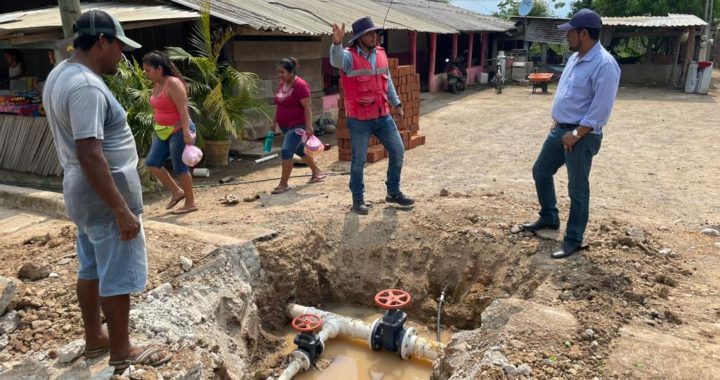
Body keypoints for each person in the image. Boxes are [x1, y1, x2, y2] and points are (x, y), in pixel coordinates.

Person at [42, 10, 171, 375]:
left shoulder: (60, 74)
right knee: (115, 270)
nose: (122, 56)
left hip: (83, 194)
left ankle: (94, 338)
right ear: (102, 41)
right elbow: (90, 152)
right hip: (103, 195)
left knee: (92, 266)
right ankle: (121, 348)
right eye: (118, 47)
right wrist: (121, 209)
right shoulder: (86, 86)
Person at [522, 9, 621, 259]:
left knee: (577, 189)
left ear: (584, 33)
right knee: (540, 171)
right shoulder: (577, 58)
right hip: (560, 130)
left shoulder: (605, 65)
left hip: (582, 135)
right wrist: (559, 124)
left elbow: (600, 110)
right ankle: (549, 218)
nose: (566, 37)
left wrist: (576, 133)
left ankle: (573, 239)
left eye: (570, 33)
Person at [330, 17, 414, 214]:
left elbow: (388, 82)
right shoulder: (348, 57)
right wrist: (336, 42)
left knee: (398, 151)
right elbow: (336, 60)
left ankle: (393, 192)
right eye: (369, 33)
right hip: (359, 119)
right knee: (359, 160)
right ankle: (358, 200)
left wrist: (397, 104)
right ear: (359, 37)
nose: (373, 36)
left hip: (382, 115)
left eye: (375, 33)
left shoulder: (381, 54)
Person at [142, 50, 198, 214]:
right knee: (152, 163)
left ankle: (190, 202)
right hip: (163, 131)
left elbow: (184, 110)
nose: (146, 74)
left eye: (148, 70)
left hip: (180, 130)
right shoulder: (157, 83)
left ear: (159, 68)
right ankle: (176, 191)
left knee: (180, 167)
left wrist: (187, 133)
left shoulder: (173, 83)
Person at [271, 57, 327, 194]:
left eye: (282, 72)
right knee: (300, 150)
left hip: (298, 126)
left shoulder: (300, 85)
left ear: (291, 72)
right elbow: (278, 104)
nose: (280, 75)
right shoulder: (281, 84)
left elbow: (307, 107)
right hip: (285, 126)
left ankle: (283, 184)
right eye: (278, 72)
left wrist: (309, 127)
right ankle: (317, 172)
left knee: (286, 151)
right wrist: (274, 122)